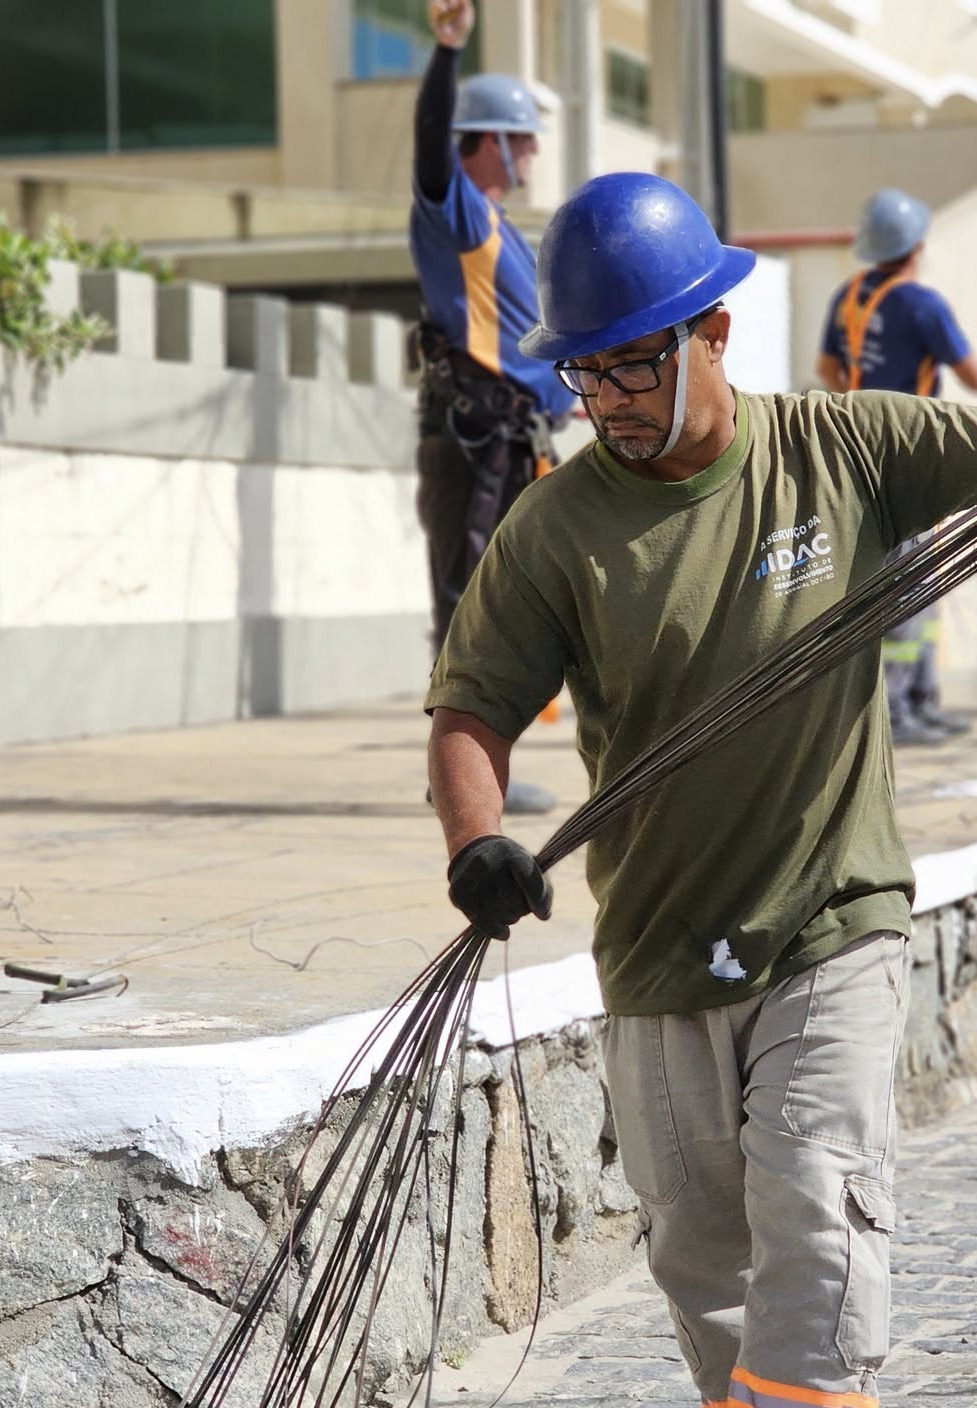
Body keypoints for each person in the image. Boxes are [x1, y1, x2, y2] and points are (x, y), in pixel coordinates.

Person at [423, 170, 977, 1408]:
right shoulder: (554, 528)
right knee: (701, 1256)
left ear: (712, 337)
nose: (609, 403)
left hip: (831, 924)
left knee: (817, 1203)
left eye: (631, 369)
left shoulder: (840, 447)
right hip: (661, 952)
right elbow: (471, 711)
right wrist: (475, 845)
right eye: (588, 378)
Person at [408, 0, 574, 814]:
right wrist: (447, 57)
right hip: (472, 440)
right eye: (524, 133)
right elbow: (431, 154)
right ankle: (460, 784)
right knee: (468, 611)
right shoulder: (458, 211)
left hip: (509, 442)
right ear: (492, 140)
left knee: (502, 607)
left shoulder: (505, 230)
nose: (536, 148)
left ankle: (476, 768)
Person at [817, 188, 977, 748]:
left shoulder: (849, 298)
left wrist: (861, 406)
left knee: (918, 582)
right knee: (905, 587)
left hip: (860, 454)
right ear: (915, 246)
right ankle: (897, 710)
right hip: (909, 456)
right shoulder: (921, 305)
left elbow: (826, 367)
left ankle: (919, 699)